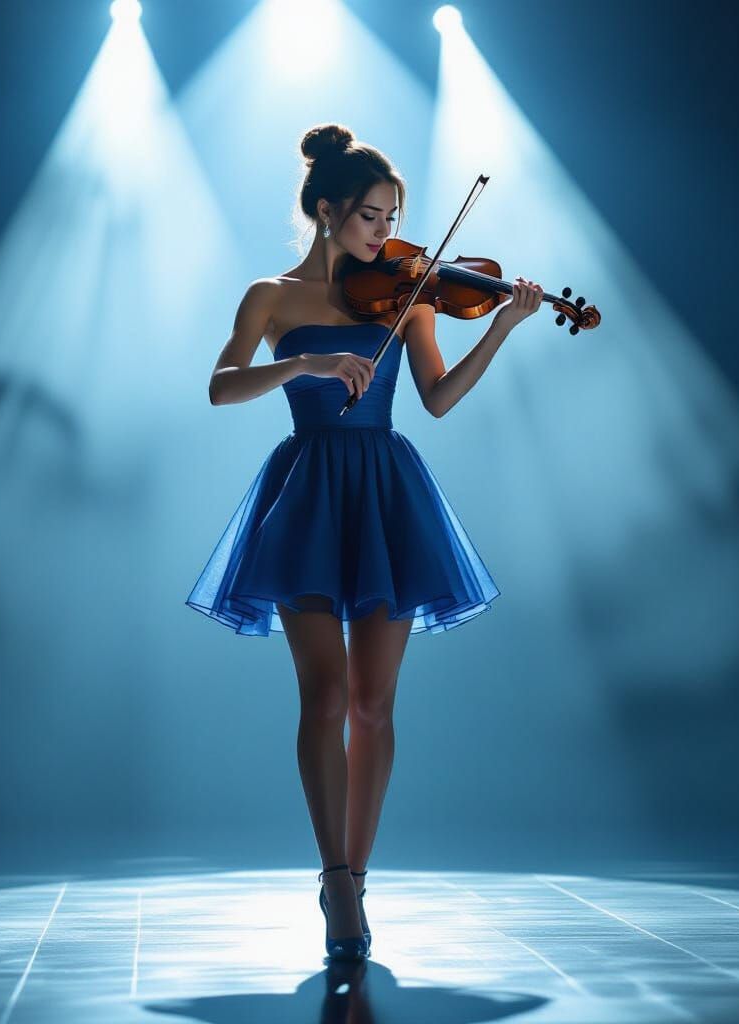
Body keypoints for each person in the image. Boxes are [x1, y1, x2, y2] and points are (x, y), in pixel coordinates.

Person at [186, 123, 543, 961]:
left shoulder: (408, 295)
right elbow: (218, 386)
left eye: (391, 218)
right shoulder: (271, 296)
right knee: (325, 694)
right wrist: (300, 369)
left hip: (386, 491)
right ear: (325, 211)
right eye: (371, 218)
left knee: (374, 702)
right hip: (307, 492)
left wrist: (505, 325)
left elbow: (439, 398)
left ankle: (357, 874)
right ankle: (335, 881)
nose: (386, 235)